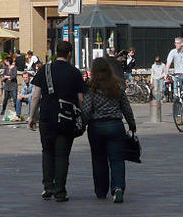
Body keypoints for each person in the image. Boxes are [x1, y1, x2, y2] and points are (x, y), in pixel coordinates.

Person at [28, 41, 85, 202]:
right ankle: (60, 190)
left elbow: (35, 96)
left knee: (47, 152)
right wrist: (83, 116)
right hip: (66, 119)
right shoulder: (75, 72)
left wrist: (32, 116)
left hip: (46, 118)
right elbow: (81, 99)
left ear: (55, 52)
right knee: (62, 155)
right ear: (69, 54)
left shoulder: (45, 69)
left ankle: (48, 186)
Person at [82, 57, 136, 203]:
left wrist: (82, 124)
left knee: (99, 160)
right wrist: (132, 124)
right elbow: (126, 107)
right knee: (117, 159)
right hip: (115, 125)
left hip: (96, 127)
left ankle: (101, 190)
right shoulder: (116, 86)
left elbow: (86, 110)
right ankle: (117, 188)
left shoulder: (92, 88)